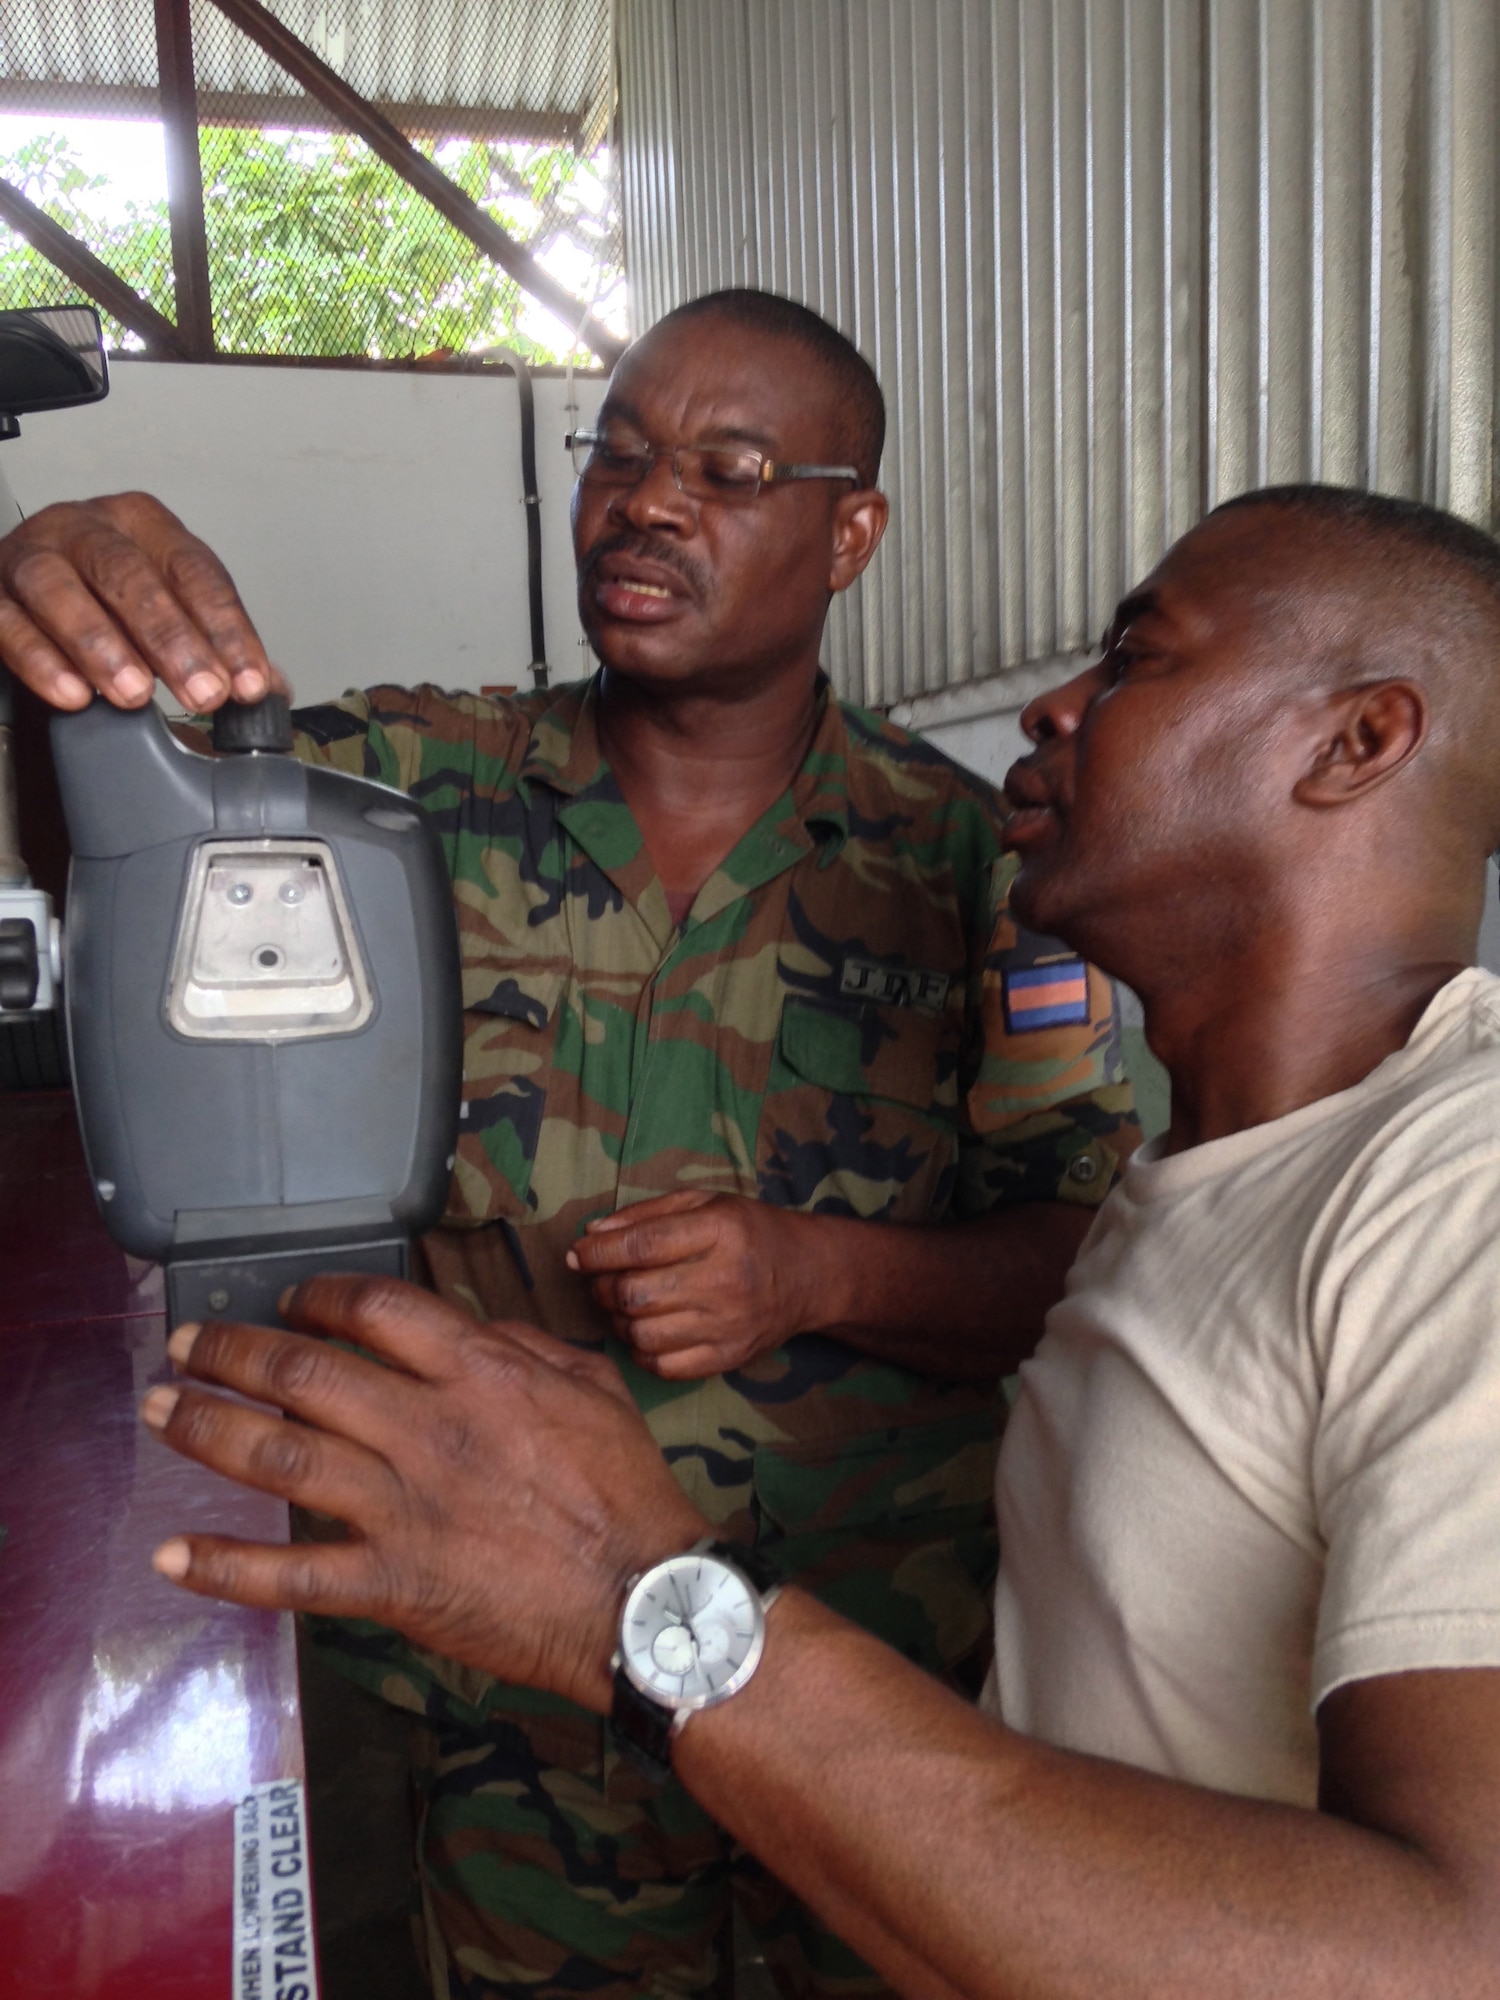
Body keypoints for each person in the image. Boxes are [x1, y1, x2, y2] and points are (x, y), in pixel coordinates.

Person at [125, 483, 1500, 1998]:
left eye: (1132, 658)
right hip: (600, 1767)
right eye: (623, 455)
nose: (1051, 707)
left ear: (1358, 741)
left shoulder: (1459, 1196)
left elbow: (1454, 1949)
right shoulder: (1201, 1185)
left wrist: (639, 1601)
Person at [0, 289, 1135, 1997]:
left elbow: (1084, 1271)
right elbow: (130, 854)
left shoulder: (975, 866)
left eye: (731, 467)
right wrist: (56, 643)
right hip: (501, 1710)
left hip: (863, 1692)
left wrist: (813, 1268)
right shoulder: (404, 793)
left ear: (853, 532)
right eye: (618, 452)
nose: (648, 499)